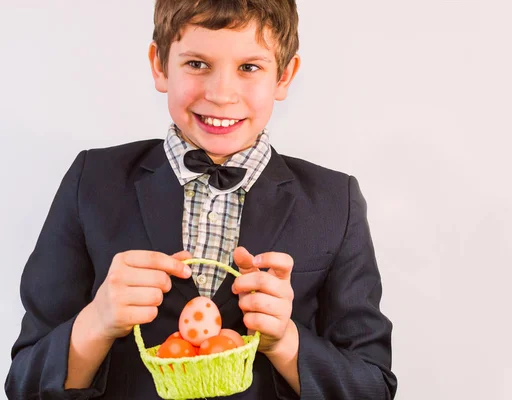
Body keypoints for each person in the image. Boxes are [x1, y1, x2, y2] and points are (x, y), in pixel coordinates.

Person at [5, 1, 397, 398]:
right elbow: (24, 384)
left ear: (284, 76)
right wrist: (96, 322)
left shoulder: (335, 202)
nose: (221, 94)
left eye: (249, 67)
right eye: (196, 64)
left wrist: (286, 343)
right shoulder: (91, 181)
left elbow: (372, 387)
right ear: (159, 65)